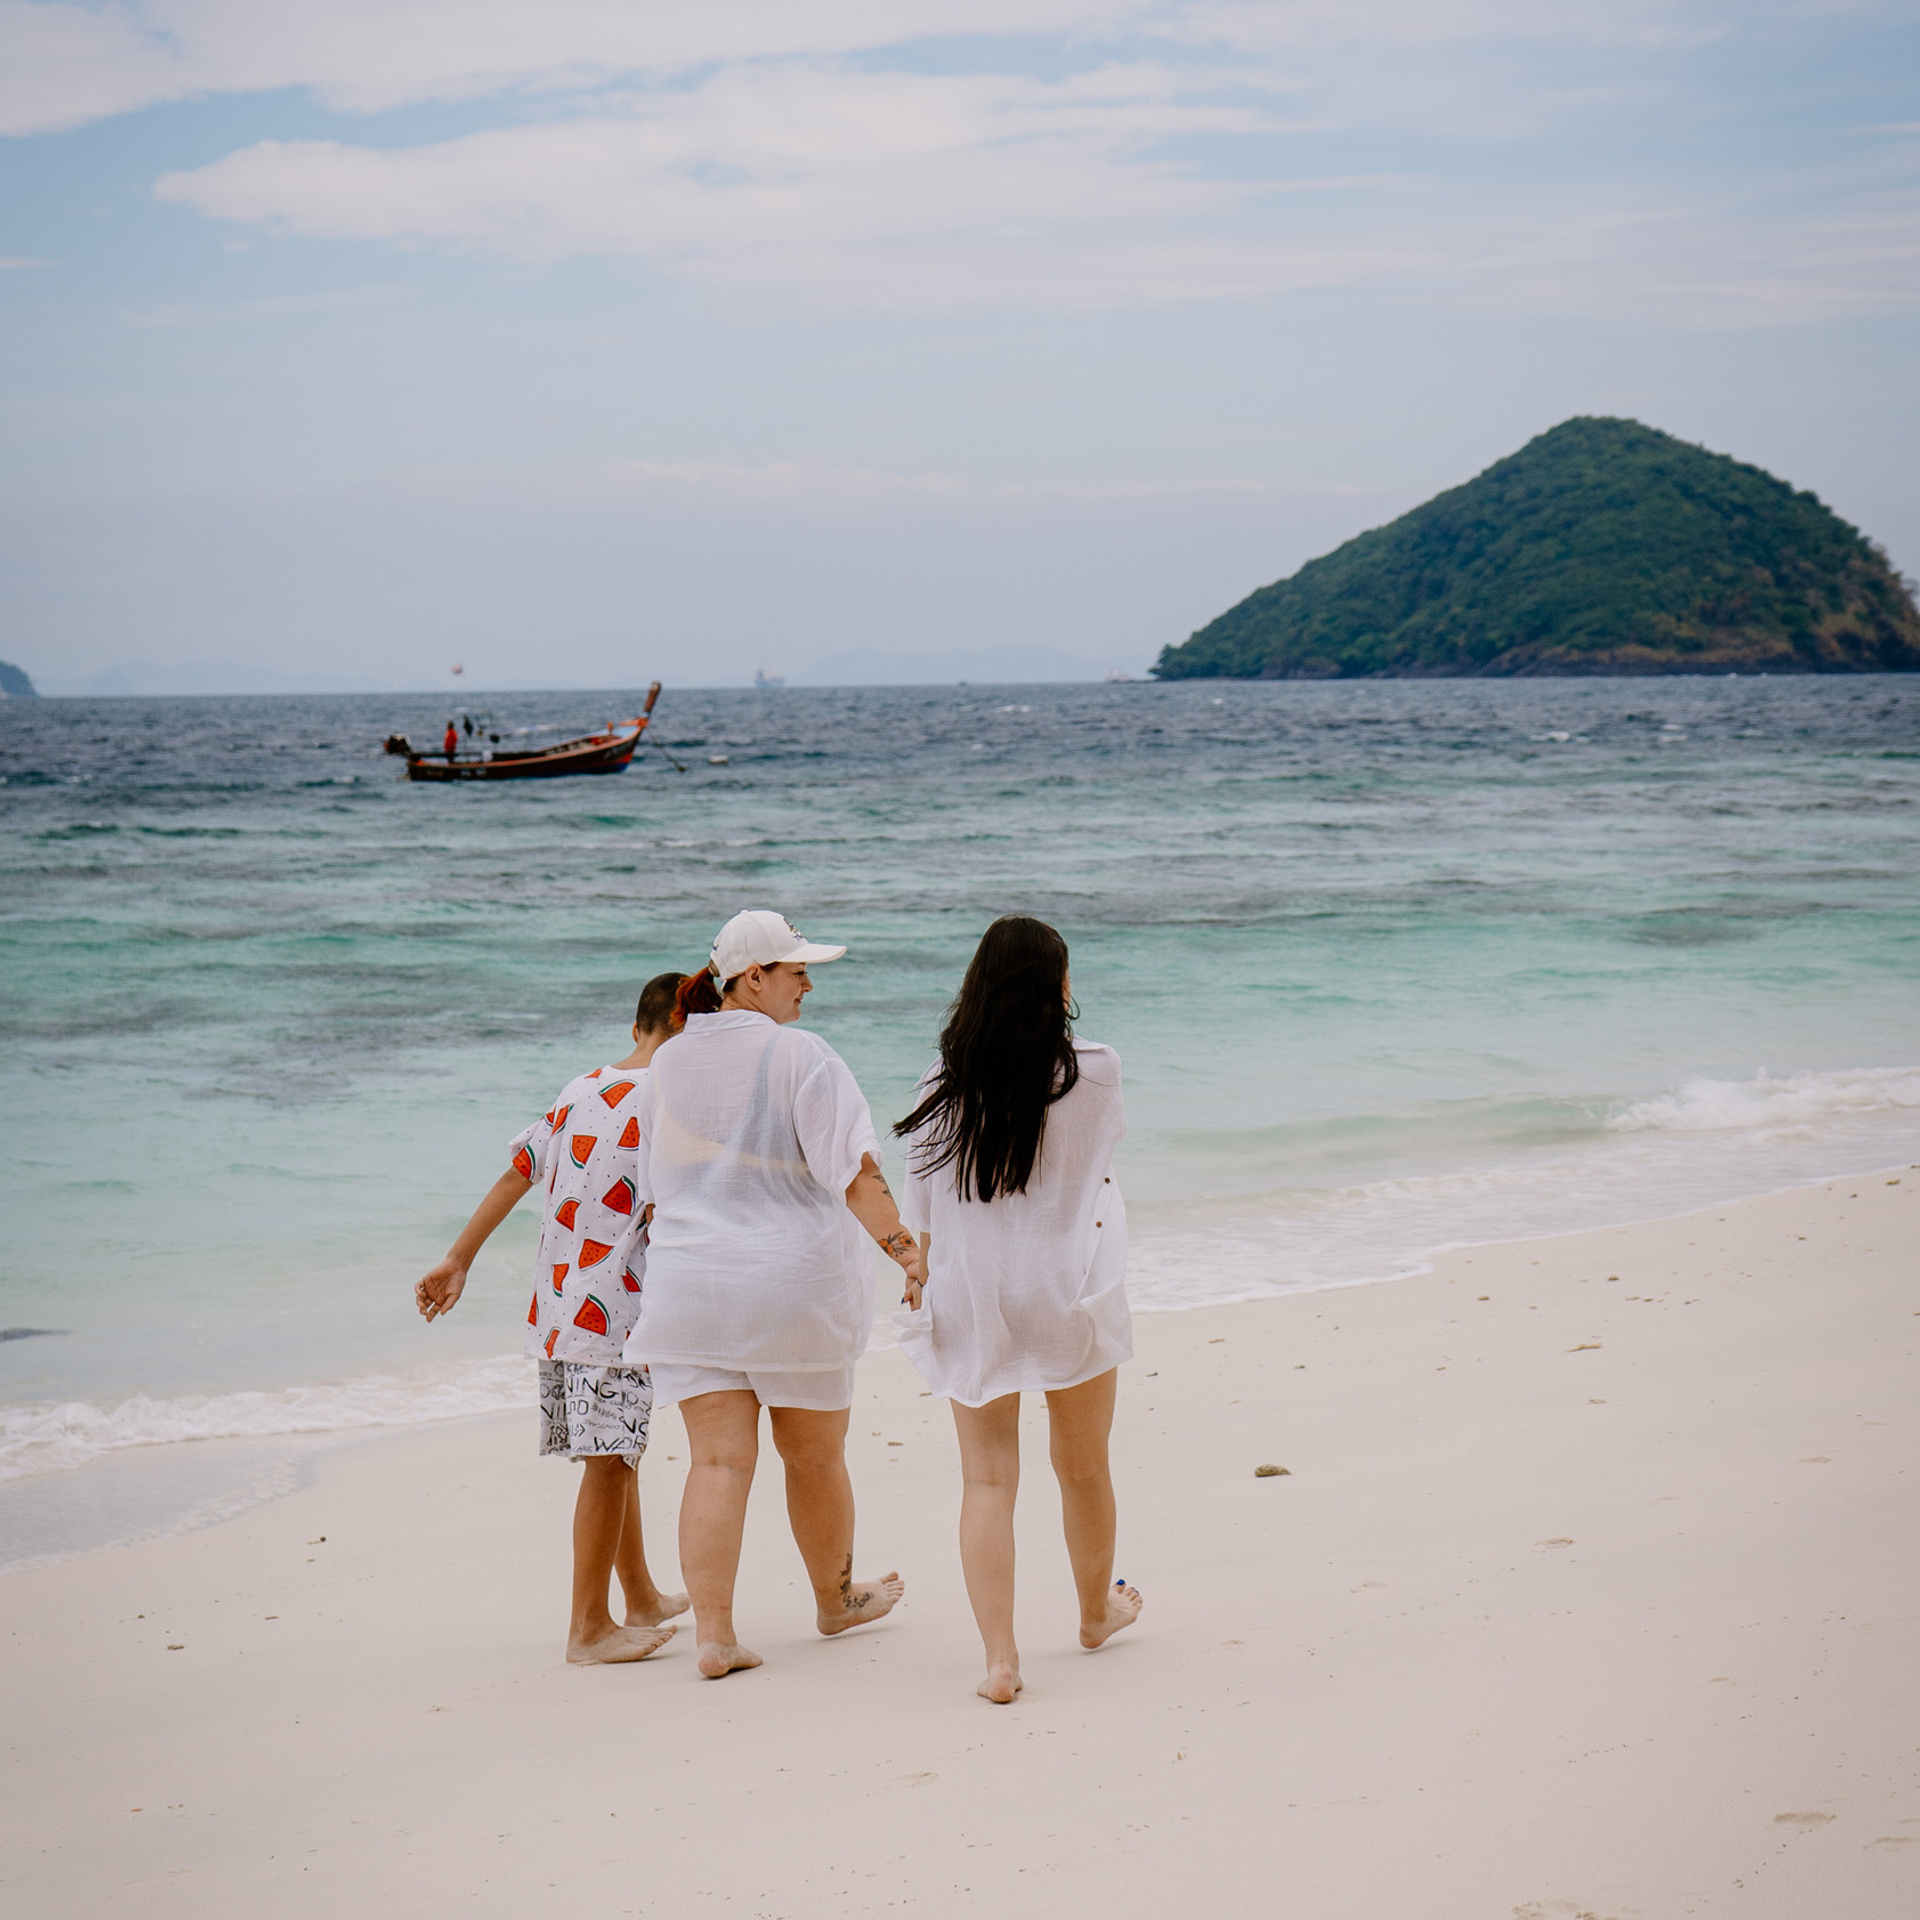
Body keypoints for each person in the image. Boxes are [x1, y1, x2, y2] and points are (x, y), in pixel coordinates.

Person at [623, 910, 926, 1680]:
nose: (809, 982)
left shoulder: (668, 1063)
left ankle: (715, 1637)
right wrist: (908, 1254)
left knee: (717, 1463)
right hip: (789, 1285)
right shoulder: (801, 1054)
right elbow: (855, 1172)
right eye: (797, 970)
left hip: (691, 1285)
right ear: (753, 977)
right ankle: (836, 1600)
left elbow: (664, 1178)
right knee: (815, 1458)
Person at [893, 915, 1141, 1704]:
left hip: (976, 1293)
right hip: (1070, 1287)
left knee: (989, 1482)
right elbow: (1097, 1163)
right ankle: (1095, 1613)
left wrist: (915, 1269)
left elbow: (922, 1205)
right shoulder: (1096, 1072)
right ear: (1057, 987)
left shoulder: (943, 1080)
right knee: (1083, 1468)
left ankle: (1001, 1661)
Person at [414, 972, 691, 1665]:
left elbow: (518, 1170)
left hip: (559, 1310)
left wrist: (458, 1258)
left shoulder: (578, 1089)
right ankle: (588, 1629)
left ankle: (642, 1597)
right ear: (691, 1037)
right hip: (619, 1317)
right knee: (611, 1464)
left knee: (615, 1455)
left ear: (638, 1027)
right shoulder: (673, 1100)